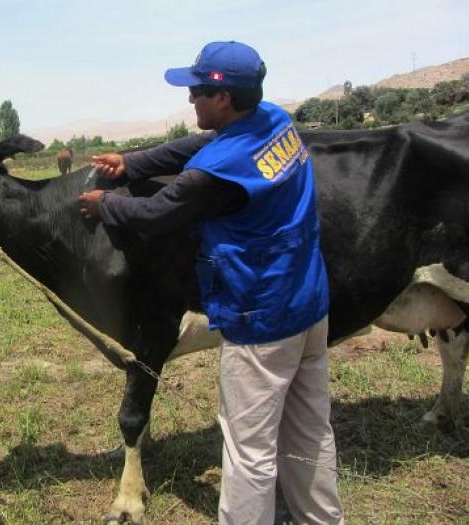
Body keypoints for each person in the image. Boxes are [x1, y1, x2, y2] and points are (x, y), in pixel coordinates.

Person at [78, 41, 344, 524]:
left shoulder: (218, 171)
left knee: (249, 451)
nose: (189, 98)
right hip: (309, 302)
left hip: (261, 320)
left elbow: (157, 212)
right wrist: (134, 162)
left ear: (223, 98)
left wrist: (106, 204)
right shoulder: (273, 119)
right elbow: (199, 145)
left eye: (197, 91)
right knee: (311, 432)